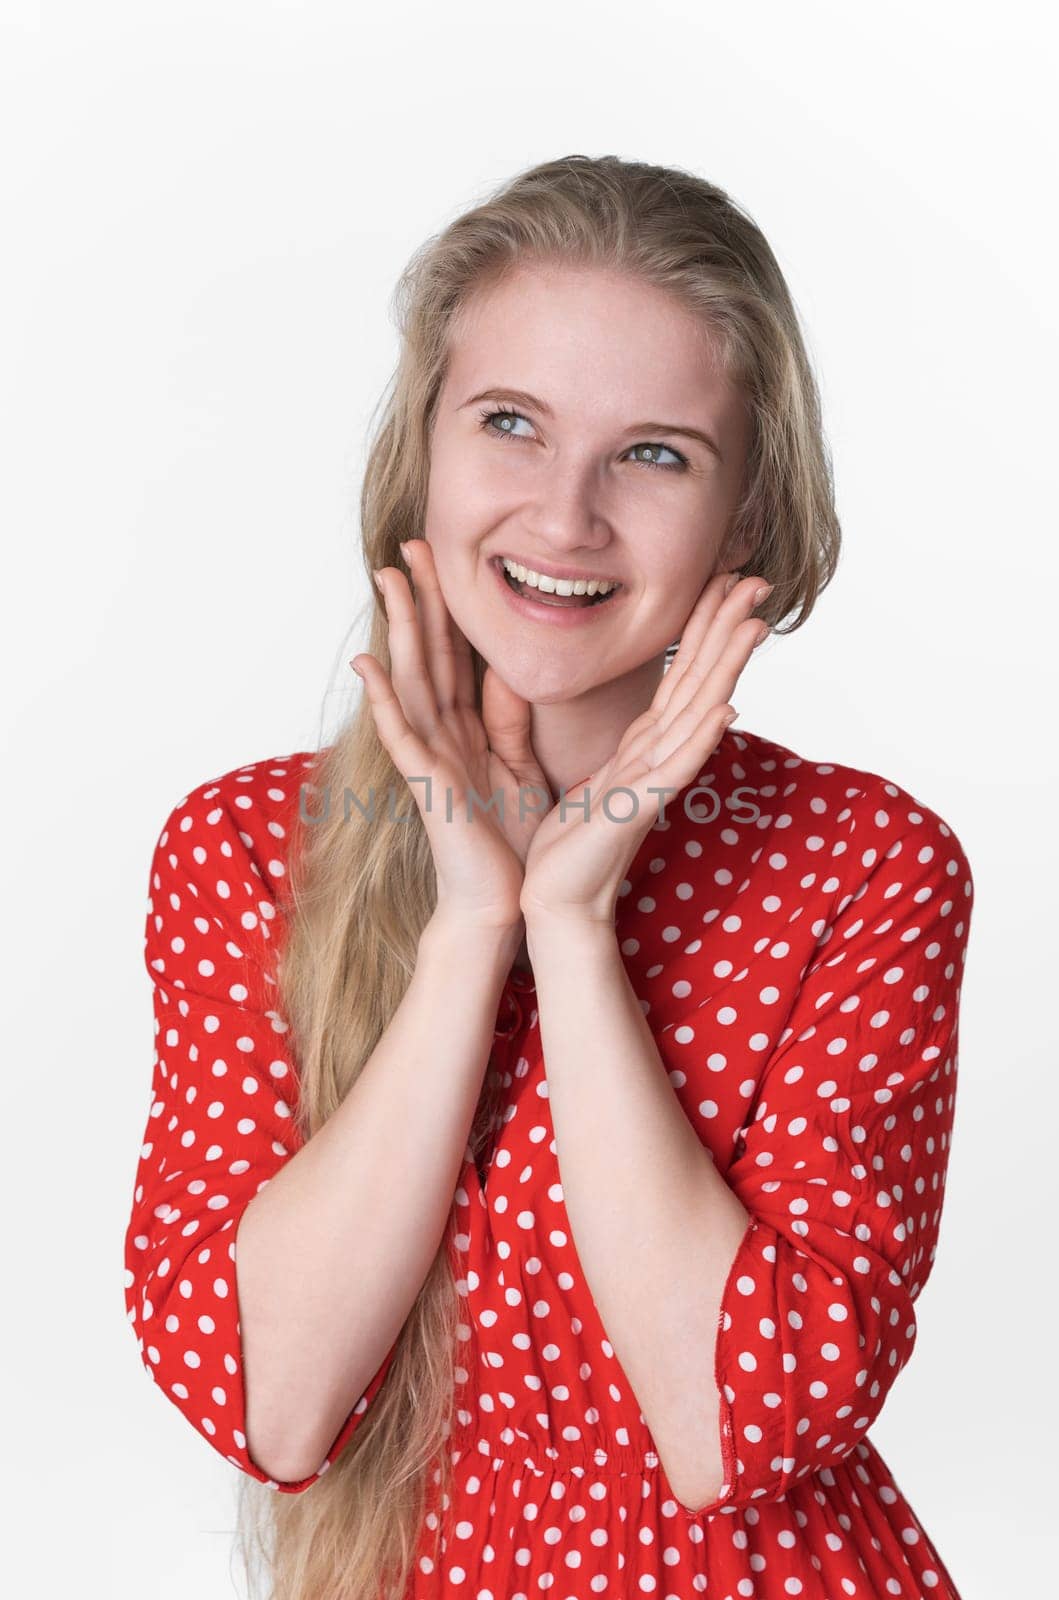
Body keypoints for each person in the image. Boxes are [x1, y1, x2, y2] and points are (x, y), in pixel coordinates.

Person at [123, 154, 974, 1600]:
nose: (566, 516)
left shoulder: (864, 867)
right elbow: (271, 1405)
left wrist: (571, 926)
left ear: (749, 519)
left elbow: (730, 1430)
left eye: (655, 453)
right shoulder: (248, 853)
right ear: (425, 456)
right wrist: (473, 923)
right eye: (510, 423)